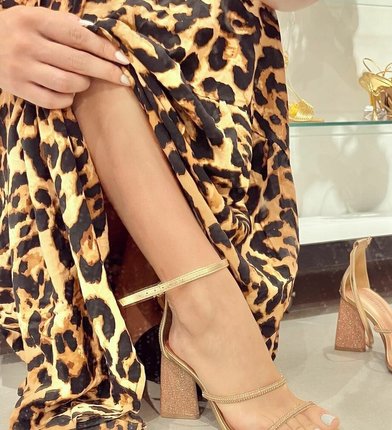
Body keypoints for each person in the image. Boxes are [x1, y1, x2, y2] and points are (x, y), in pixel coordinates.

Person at [0, 0, 340, 429]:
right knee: (91, 42)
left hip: (220, 128)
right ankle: (206, 313)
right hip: (40, 79)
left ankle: (193, 309)